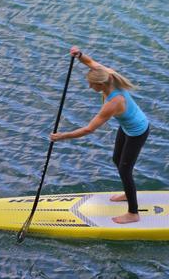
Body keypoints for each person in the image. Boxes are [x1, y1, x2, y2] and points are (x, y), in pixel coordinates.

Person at [50, 46, 150, 224]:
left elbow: (89, 129)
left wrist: (62, 136)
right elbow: (89, 62)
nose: (89, 86)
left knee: (125, 169)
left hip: (137, 132)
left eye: (91, 84)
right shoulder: (107, 74)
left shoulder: (113, 102)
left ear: (101, 84)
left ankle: (133, 213)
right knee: (116, 160)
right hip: (127, 127)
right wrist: (79, 55)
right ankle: (128, 193)